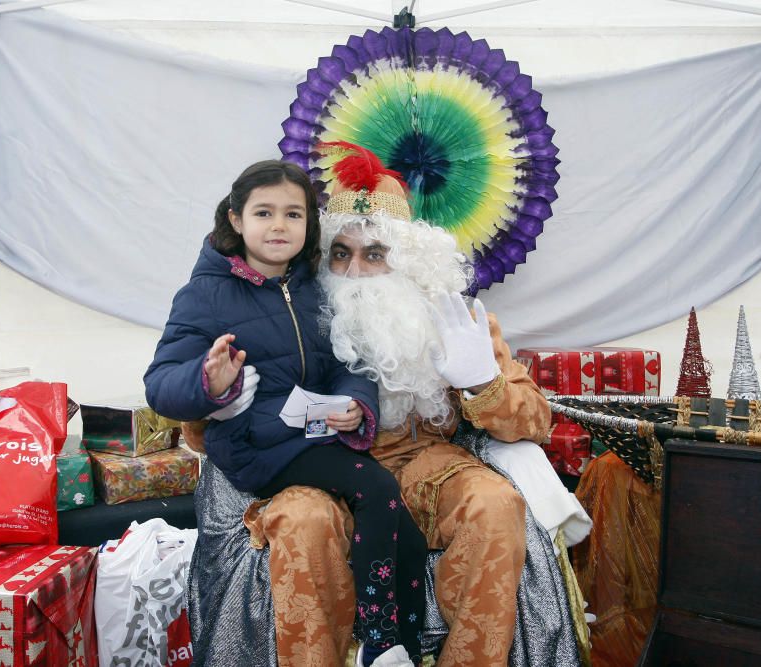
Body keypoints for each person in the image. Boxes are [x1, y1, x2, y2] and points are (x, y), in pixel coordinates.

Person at [183, 144, 589, 666]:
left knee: (496, 504)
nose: (354, 270)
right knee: (302, 520)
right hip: (315, 466)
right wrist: (222, 400)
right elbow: (200, 432)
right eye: (340, 253)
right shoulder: (282, 312)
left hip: (425, 461)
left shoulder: (454, 318)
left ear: (406, 263)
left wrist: (481, 382)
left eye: (374, 254)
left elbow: (534, 419)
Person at [143, 159, 428, 666]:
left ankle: (401, 645)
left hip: (314, 436)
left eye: (293, 214)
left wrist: (353, 403)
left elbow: (347, 360)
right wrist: (210, 384)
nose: (279, 226)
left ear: (308, 225)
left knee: (404, 529)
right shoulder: (206, 293)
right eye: (265, 212)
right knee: (380, 489)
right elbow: (160, 385)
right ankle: (379, 640)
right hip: (256, 445)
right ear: (236, 219)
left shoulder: (314, 286)